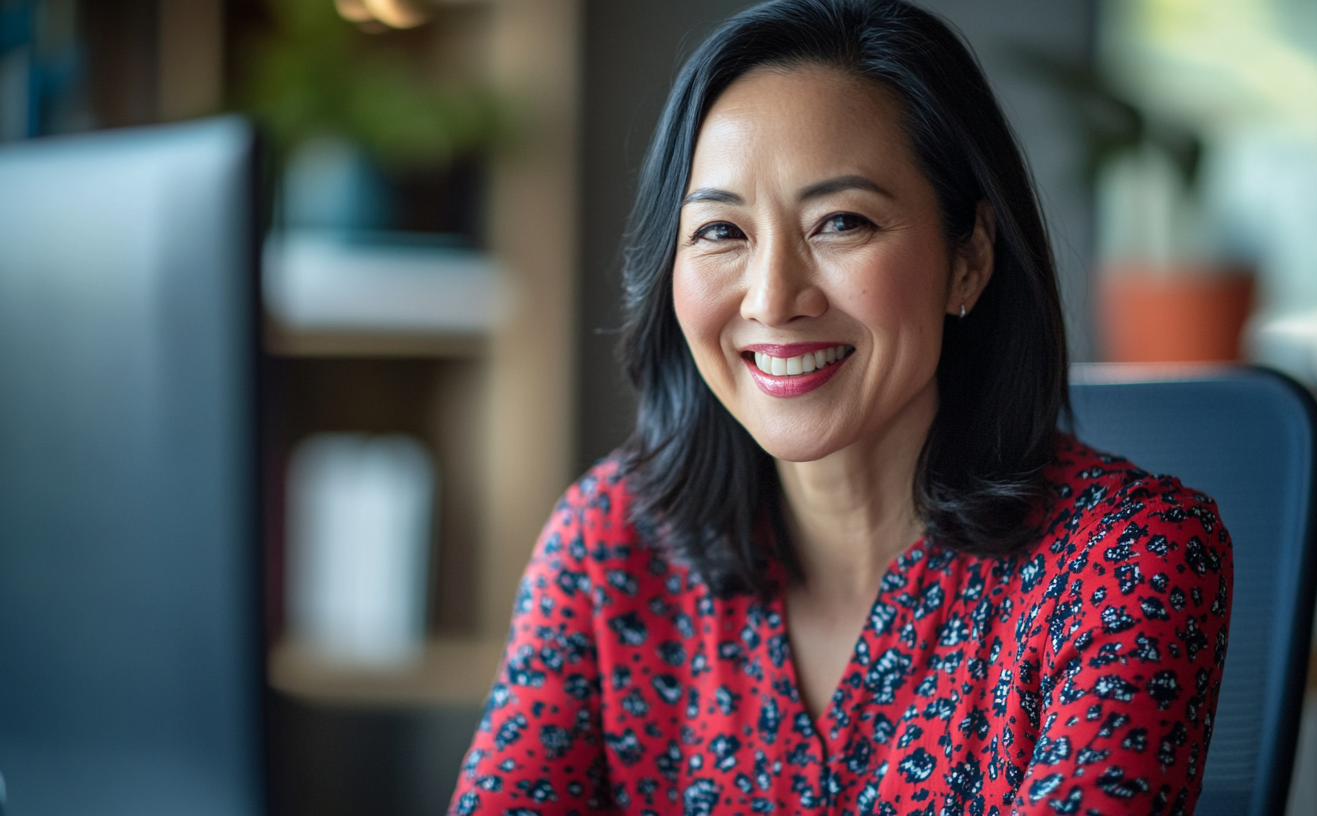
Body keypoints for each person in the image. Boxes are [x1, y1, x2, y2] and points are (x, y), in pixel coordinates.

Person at [450, 0, 1231, 813]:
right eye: (721, 231)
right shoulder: (608, 543)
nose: (773, 296)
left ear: (968, 259)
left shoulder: (1127, 562)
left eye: (841, 222)